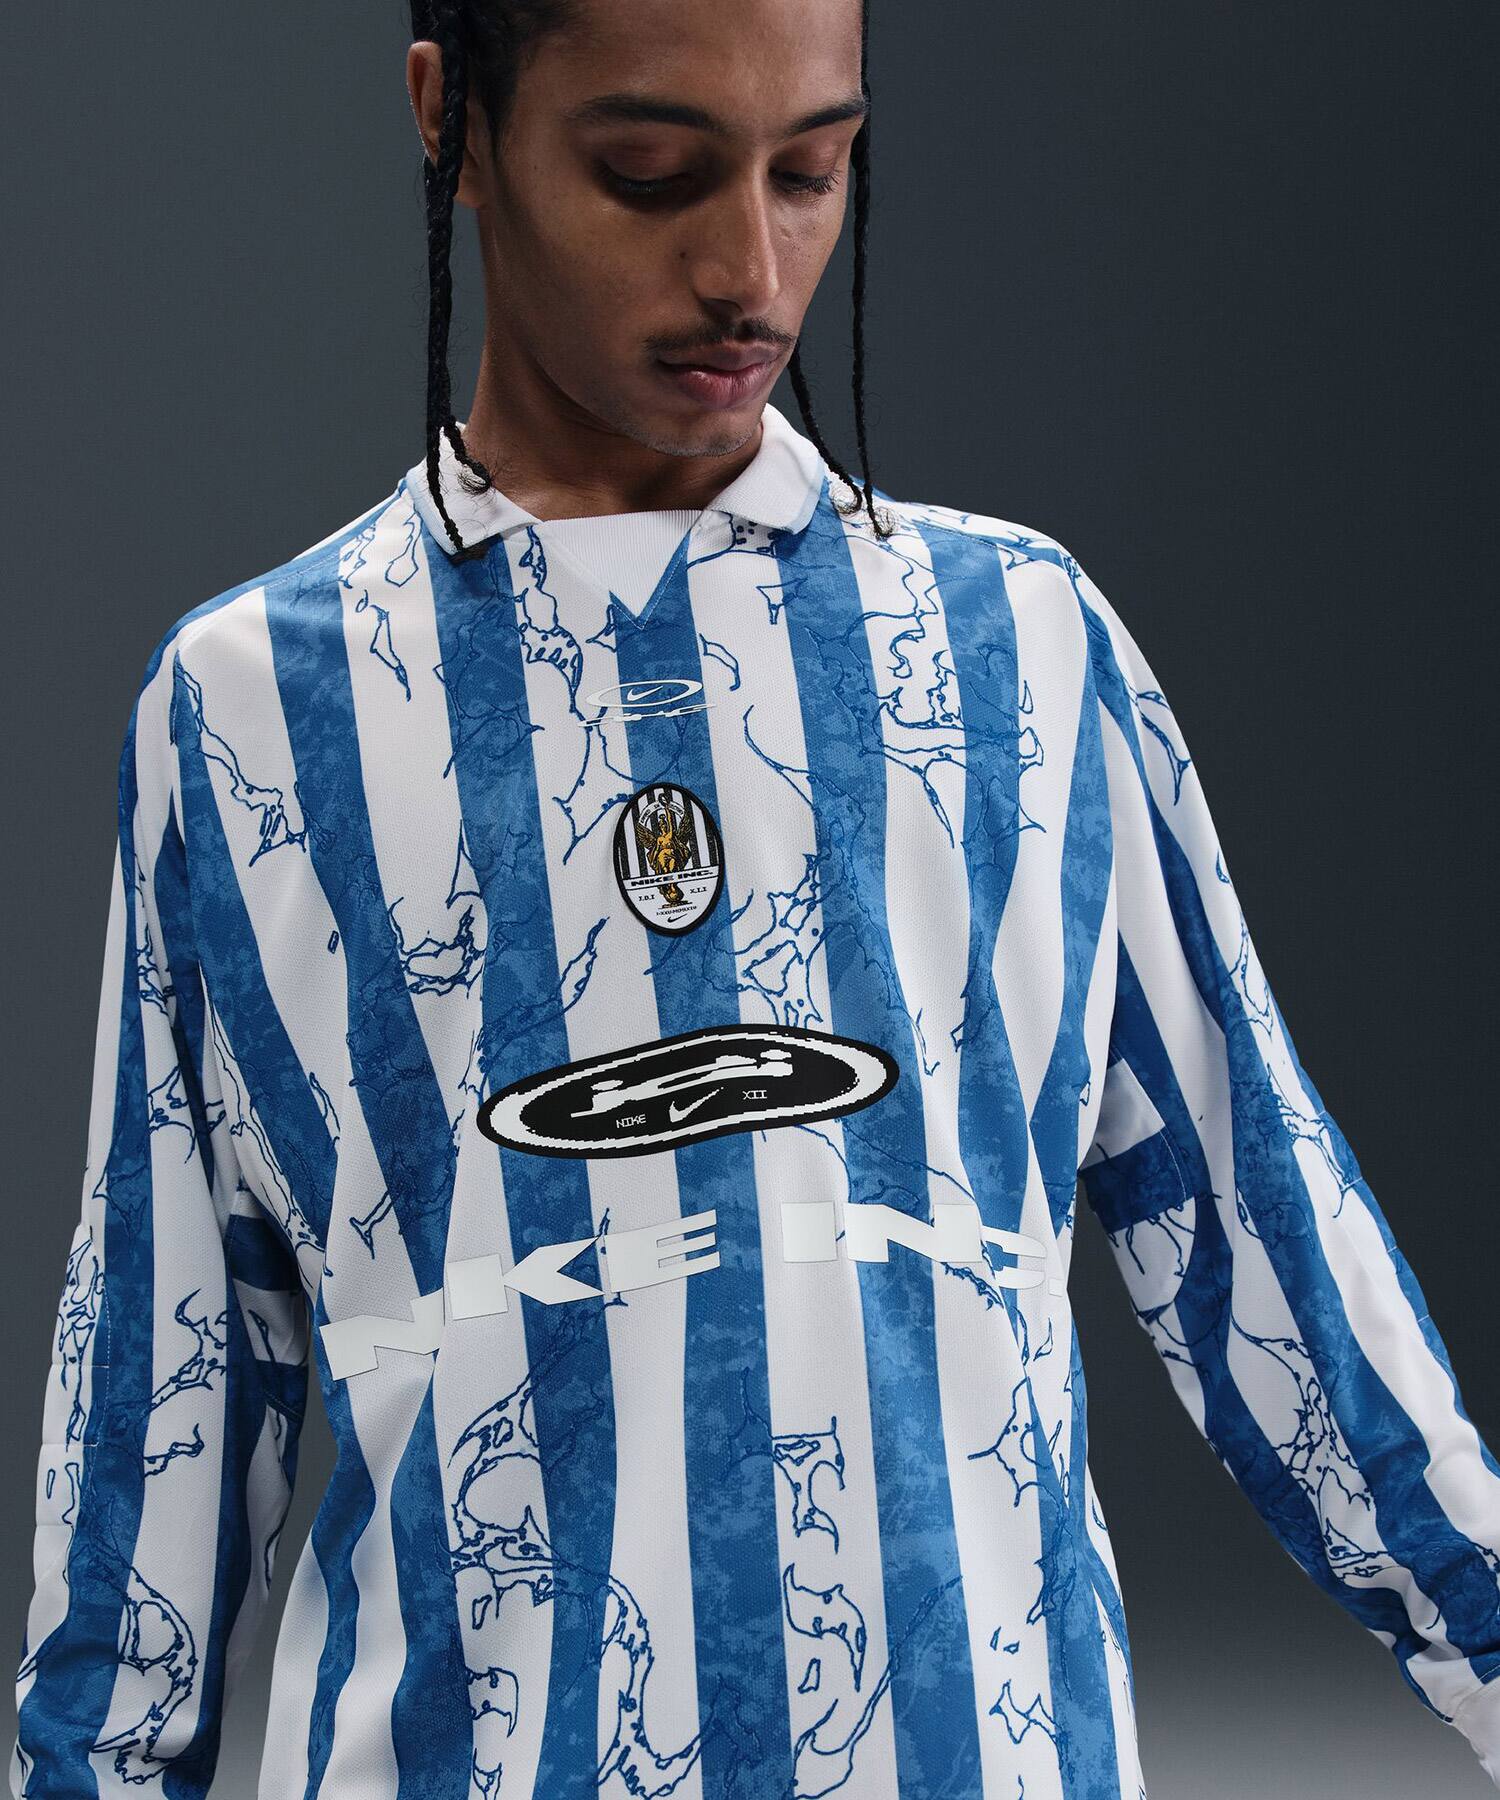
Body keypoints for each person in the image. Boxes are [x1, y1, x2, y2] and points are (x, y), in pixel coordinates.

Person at [10, 1, 1500, 1795]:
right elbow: (158, 1424)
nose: (751, 271)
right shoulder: (248, 710)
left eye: (812, 170)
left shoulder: (1019, 648)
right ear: (451, 121)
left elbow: (1280, 1269)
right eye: (650, 174)